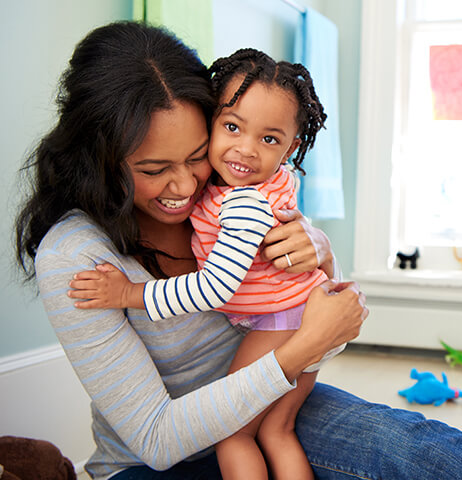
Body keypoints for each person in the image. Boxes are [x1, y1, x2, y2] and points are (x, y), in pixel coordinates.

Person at [13, 19, 462, 480]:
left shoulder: (227, 186)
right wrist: (300, 348)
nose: (185, 183)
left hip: (261, 391)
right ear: (98, 155)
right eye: (152, 168)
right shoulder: (76, 256)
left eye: (197, 155)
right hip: (158, 461)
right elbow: (159, 435)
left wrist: (316, 249)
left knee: (416, 445)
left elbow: (285, 272)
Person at [68, 47, 338, 480]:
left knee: (235, 439)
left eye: (269, 140)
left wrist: (128, 293)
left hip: (281, 323)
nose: (245, 151)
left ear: (291, 147)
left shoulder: (243, 202)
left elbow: (215, 287)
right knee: (277, 432)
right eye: (232, 127)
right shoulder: (261, 183)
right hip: (297, 316)